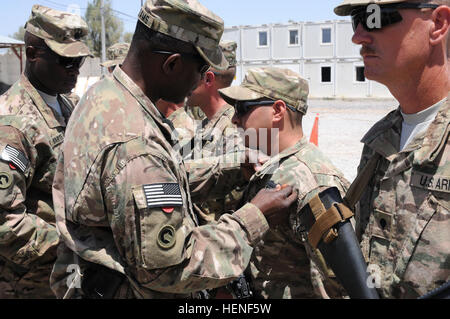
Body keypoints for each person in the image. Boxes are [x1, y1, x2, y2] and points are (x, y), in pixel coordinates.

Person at [50, 0, 296, 299]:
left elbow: (146, 186)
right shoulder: (135, 144)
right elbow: (172, 268)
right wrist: (255, 218)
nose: (203, 80)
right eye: (202, 68)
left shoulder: (103, 98)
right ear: (172, 64)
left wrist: (227, 168)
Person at [334, 0, 450, 298]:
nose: (358, 36)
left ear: (438, 24)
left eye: (374, 18)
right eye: (356, 21)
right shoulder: (379, 142)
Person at [219, 67, 351, 298]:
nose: (234, 119)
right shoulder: (272, 166)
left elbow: (335, 289)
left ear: (278, 110)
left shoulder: (315, 183)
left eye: (242, 108)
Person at [0, 4, 91, 298]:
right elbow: (5, 221)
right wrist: (73, 246)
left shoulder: (68, 105)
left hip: (69, 276)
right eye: (66, 61)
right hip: (31, 283)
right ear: (31, 54)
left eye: (79, 61)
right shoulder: (13, 123)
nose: (75, 70)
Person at [172, 40, 245, 223]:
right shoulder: (207, 125)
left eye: (191, 75)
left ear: (208, 79)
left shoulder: (234, 131)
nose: (184, 82)